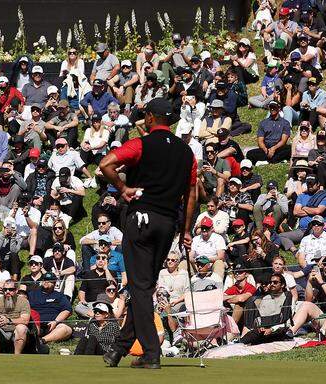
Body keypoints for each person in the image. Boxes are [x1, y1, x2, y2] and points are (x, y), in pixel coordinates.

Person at [99, 97, 197, 369]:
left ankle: (151, 353)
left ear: (152, 117)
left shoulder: (140, 143)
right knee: (144, 287)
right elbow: (191, 194)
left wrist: (122, 188)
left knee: (140, 287)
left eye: (146, 115)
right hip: (168, 224)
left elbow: (106, 163)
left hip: (141, 219)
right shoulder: (186, 151)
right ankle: (119, 348)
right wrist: (186, 230)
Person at [240, 272, 294, 345]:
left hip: (278, 331)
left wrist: (271, 329)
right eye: (270, 282)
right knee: (248, 337)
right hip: (263, 332)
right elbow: (260, 319)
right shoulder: (265, 298)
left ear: (282, 285)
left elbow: (287, 322)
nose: (272, 284)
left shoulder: (287, 296)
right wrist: (260, 327)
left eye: (275, 282)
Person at [0, 279, 31, 354]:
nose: (7, 291)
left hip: (16, 329)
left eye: (11, 289)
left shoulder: (24, 301)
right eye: (5, 289)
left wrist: (9, 320)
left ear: (16, 290)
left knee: (21, 327)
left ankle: (17, 356)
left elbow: (25, 320)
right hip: (1, 330)